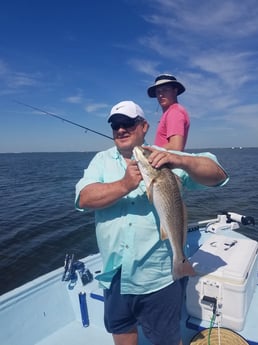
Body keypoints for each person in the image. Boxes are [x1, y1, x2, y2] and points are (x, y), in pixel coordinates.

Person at [75, 100, 228, 345]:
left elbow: (219, 175)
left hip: (159, 277)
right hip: (115, 275)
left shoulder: (166, 158)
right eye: (115, 125)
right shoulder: (101, 161)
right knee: (122, 331)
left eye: (127, 123)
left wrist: (180, 161)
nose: (121, 129)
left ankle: (180, 264)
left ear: (144, 126)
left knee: (167, 339)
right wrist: (125, 184)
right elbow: (83, 198)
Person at [147, 74, 190, 151]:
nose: (161, 95)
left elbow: (176, 147)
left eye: (165, 90)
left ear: (175, 91)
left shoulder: (174, 111)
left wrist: (149, 151)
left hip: (167, 162)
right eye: (158, 92)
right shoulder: (170, 112)